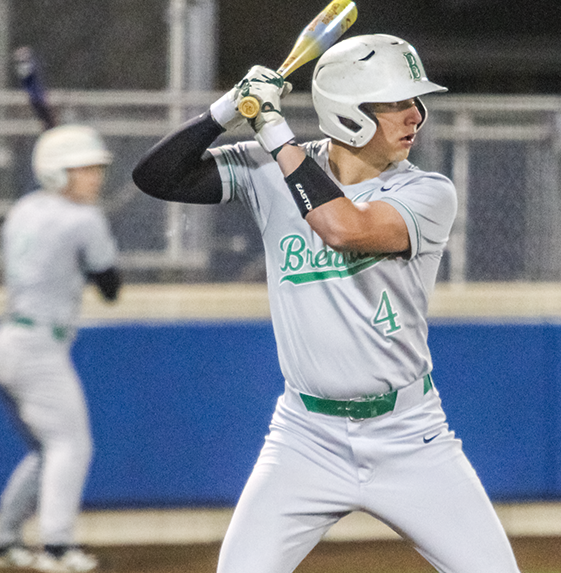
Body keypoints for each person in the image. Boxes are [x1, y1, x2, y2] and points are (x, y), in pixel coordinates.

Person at [132, 34, 521, 573]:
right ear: (348, 113)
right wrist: (227, 108)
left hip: (408, 435)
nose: (416, 115)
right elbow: (154, 177)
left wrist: (270, 125)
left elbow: (342, 227)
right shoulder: (269, 169)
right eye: (395, 103)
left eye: (416, 101)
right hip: (304, 437)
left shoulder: (429, 193)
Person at [0, 124, 121, 572]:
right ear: (57, 174)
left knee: (49, 449)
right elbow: (111, 286)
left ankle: (0, 542)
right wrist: (94, 248)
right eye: (84, 170)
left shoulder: (24, 208)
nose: (95, 178)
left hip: (7, 344)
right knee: (70, 447)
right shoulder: (83, 219)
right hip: (37, 349)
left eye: (96, 169)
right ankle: (57, 548)